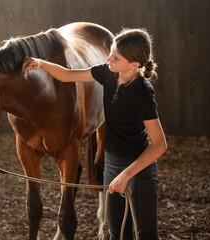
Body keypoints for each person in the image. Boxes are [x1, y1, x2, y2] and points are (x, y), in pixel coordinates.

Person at [22, 28, 167, 239]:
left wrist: (126, 175)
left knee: (146, 234)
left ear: (134, 65)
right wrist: (41, 63)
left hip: (139, 168)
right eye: (110, 51)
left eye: (115, 57)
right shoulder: (108, 72)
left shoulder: (142, 92)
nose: (108, 58)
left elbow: (159, 144)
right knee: (116, 233)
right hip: (112, 163)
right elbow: (67, 75)